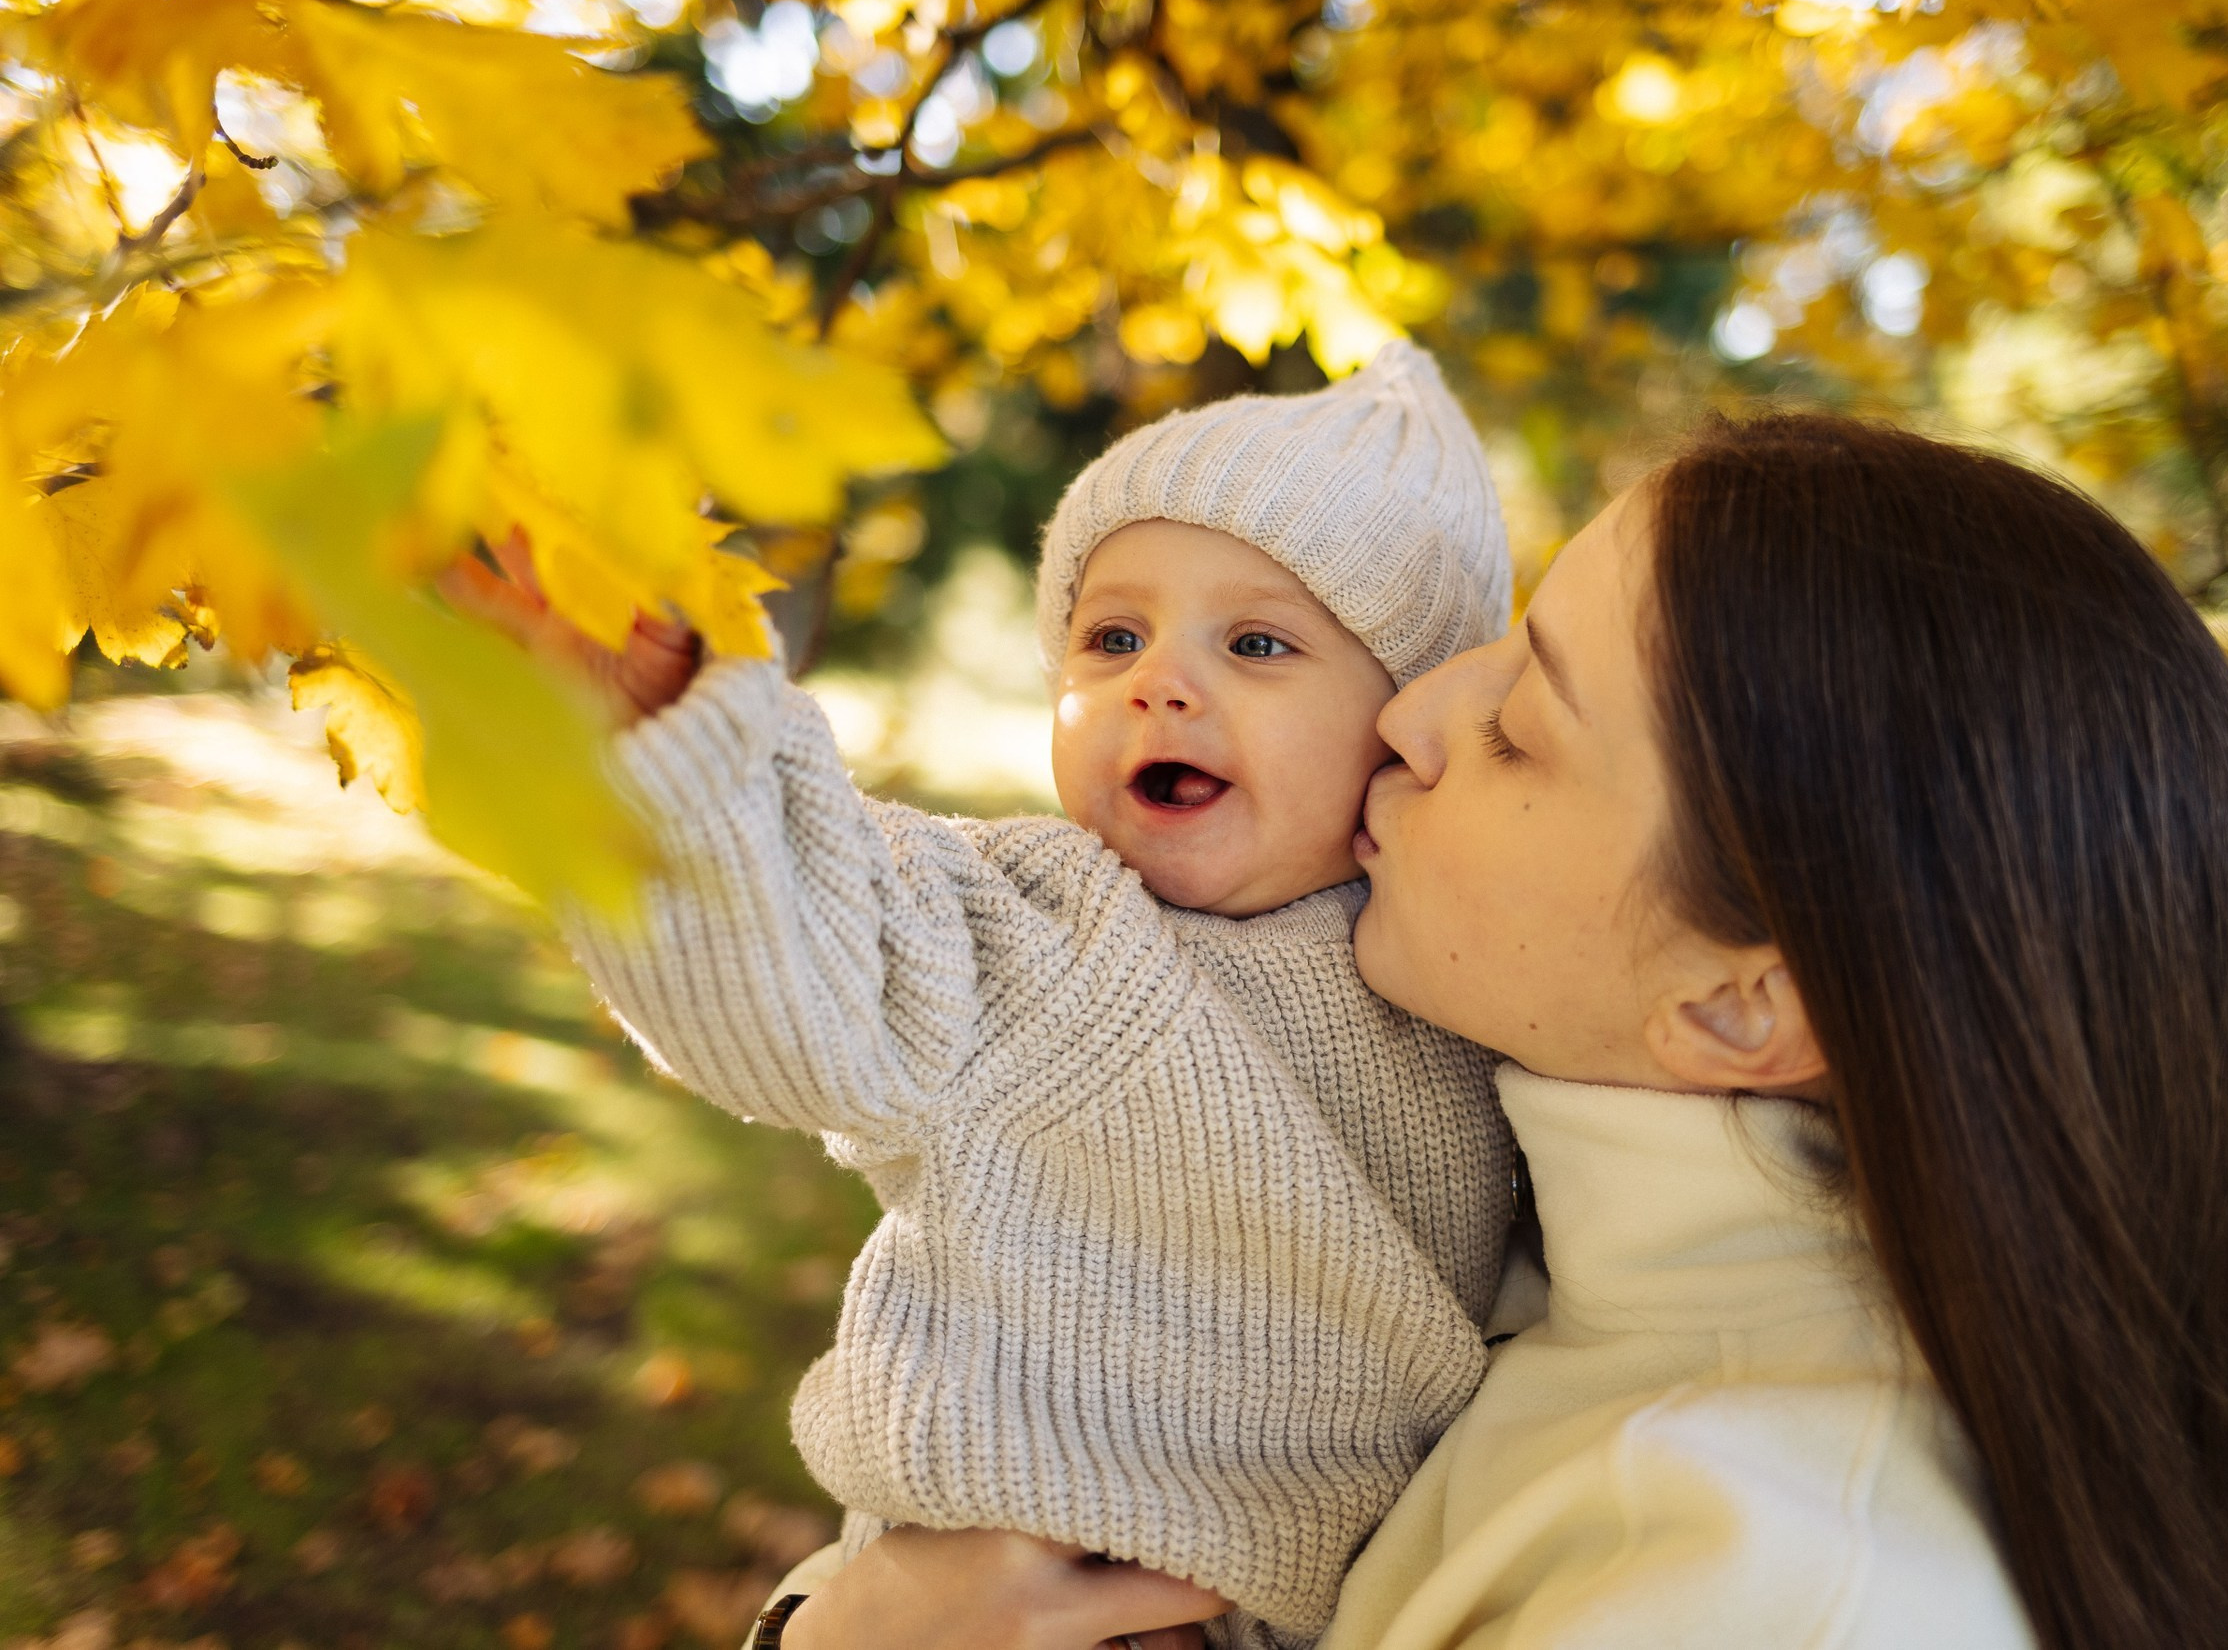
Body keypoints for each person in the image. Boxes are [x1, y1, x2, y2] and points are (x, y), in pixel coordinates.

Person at [777, 410, 2228, 1650]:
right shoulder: (1525, 1234)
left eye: (1526, 722)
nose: (1410, 713)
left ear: (1742, 1000)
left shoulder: (1758, 1586)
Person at [444, 342, 1522, 1650]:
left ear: (1404, 720)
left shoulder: (1472, 977)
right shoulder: (1032, 923)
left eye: (1256, 643)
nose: (1159, 681)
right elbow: (792, 963)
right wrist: (672, 743)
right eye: (1112, 635)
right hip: (1008, 1582)